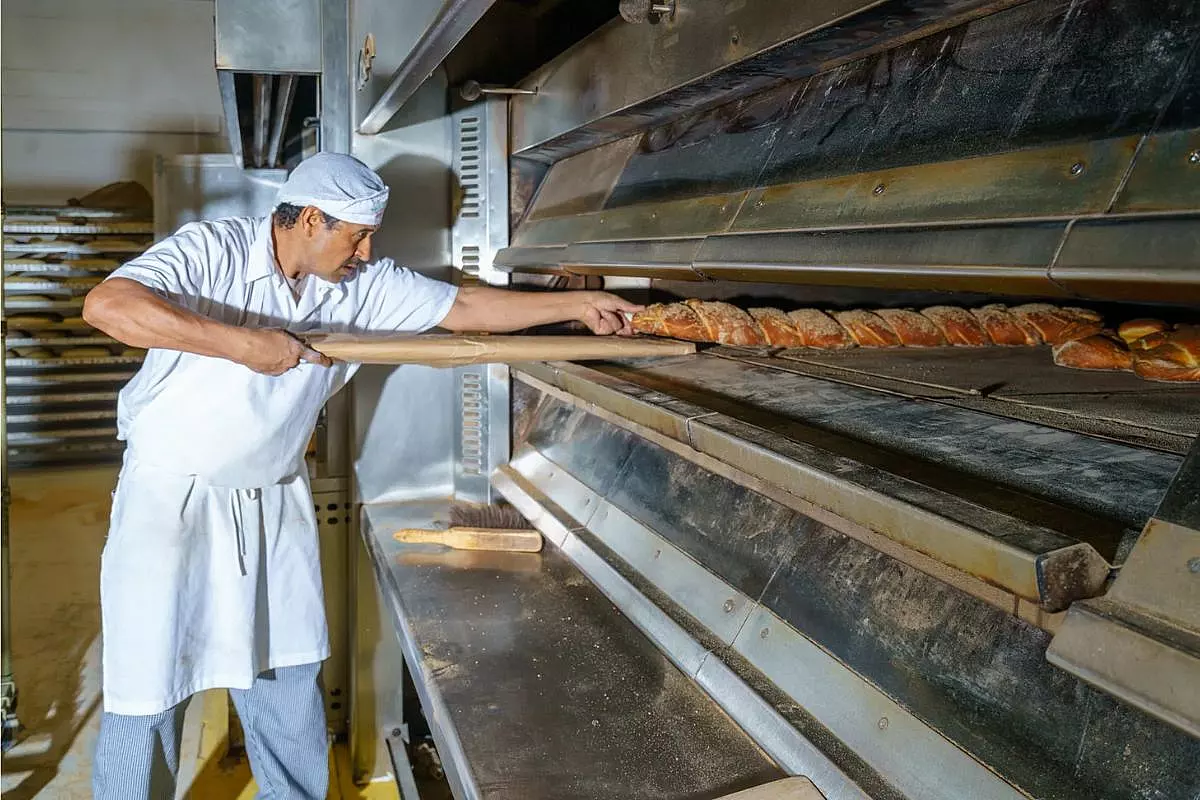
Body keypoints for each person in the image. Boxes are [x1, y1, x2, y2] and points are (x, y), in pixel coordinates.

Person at [81, 152, 641, 799]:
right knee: (149, 686)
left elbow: (459, 307)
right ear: (312, 219)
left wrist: (579, 308)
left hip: (273, 499)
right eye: (357, 235)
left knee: (287, 676)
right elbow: (109, 306)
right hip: (173, 502)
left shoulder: (355, 287)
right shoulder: (213, 250)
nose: (368, 251)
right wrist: (244, 342)